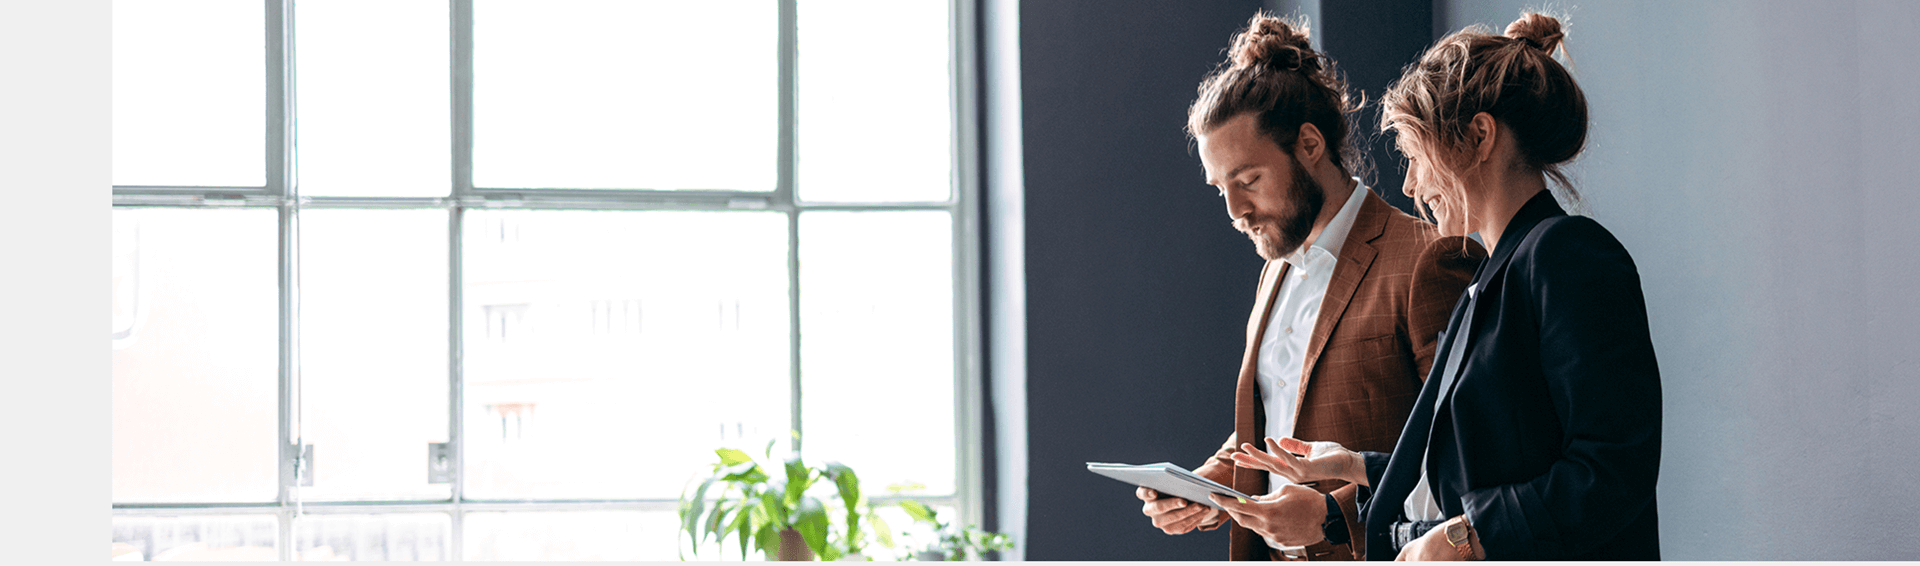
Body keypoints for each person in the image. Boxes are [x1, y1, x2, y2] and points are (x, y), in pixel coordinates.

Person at [1222, 12, 1663, 561]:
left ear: (1479, 137)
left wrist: (1469, 538)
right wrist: (1354, 472)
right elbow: (1475, 472)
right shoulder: (1486, 280)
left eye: (1413, 154)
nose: (1409, 183)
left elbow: (1612, 470)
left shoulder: (1567, 256)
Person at [1134, 12, 1484, 561]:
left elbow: (1461, 456)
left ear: (1310, 144)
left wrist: (1334, 517)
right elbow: (1277, 423)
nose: (1234, 211)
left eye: (1248, 180)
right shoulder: (1273, 270)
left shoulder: (1426, 259)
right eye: (1220, 188)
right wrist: (1209, 486)